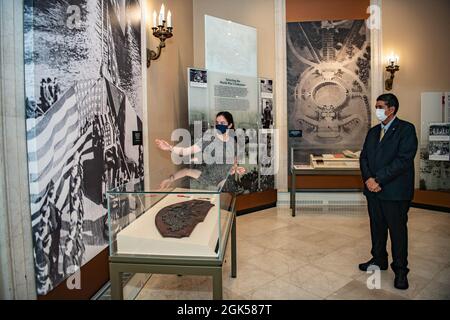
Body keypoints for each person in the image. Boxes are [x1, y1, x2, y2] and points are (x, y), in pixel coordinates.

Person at [359, 93, 418, 290]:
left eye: (379, 106)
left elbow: (403, 160)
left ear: (391, 109)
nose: (377, 110)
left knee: (397, 232)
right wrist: (368, 179)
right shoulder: (373, 131)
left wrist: (378, 179)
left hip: (394, 193)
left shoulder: (406, 130)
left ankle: (401, 270)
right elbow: (364, 157)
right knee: (377, 228)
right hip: (373, 191)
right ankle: (379, 259)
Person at [155, 111, 245, 189]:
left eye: (222, 123)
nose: (219, 125)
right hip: (207, 180)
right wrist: (170, 148)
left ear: (229, 125)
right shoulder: (209, 138)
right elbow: (187, 151)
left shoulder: (233, 142)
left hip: (225, 184)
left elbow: (233, 162)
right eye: (217, 122)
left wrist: (236, 168)